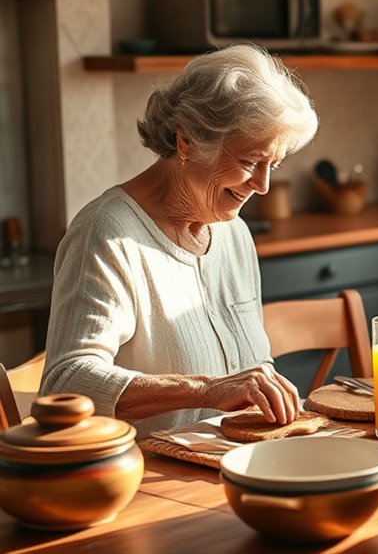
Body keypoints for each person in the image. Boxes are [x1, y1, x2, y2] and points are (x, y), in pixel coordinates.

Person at [41, 44, 318, 437]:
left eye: (273, 165)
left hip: (236, 463)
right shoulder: (107, 233)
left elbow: (252, 368)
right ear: (187, 141)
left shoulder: (234, 233)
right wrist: (205, 390)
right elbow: (66, 382)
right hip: (148, 470)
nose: (263, 185)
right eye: (249, 162)